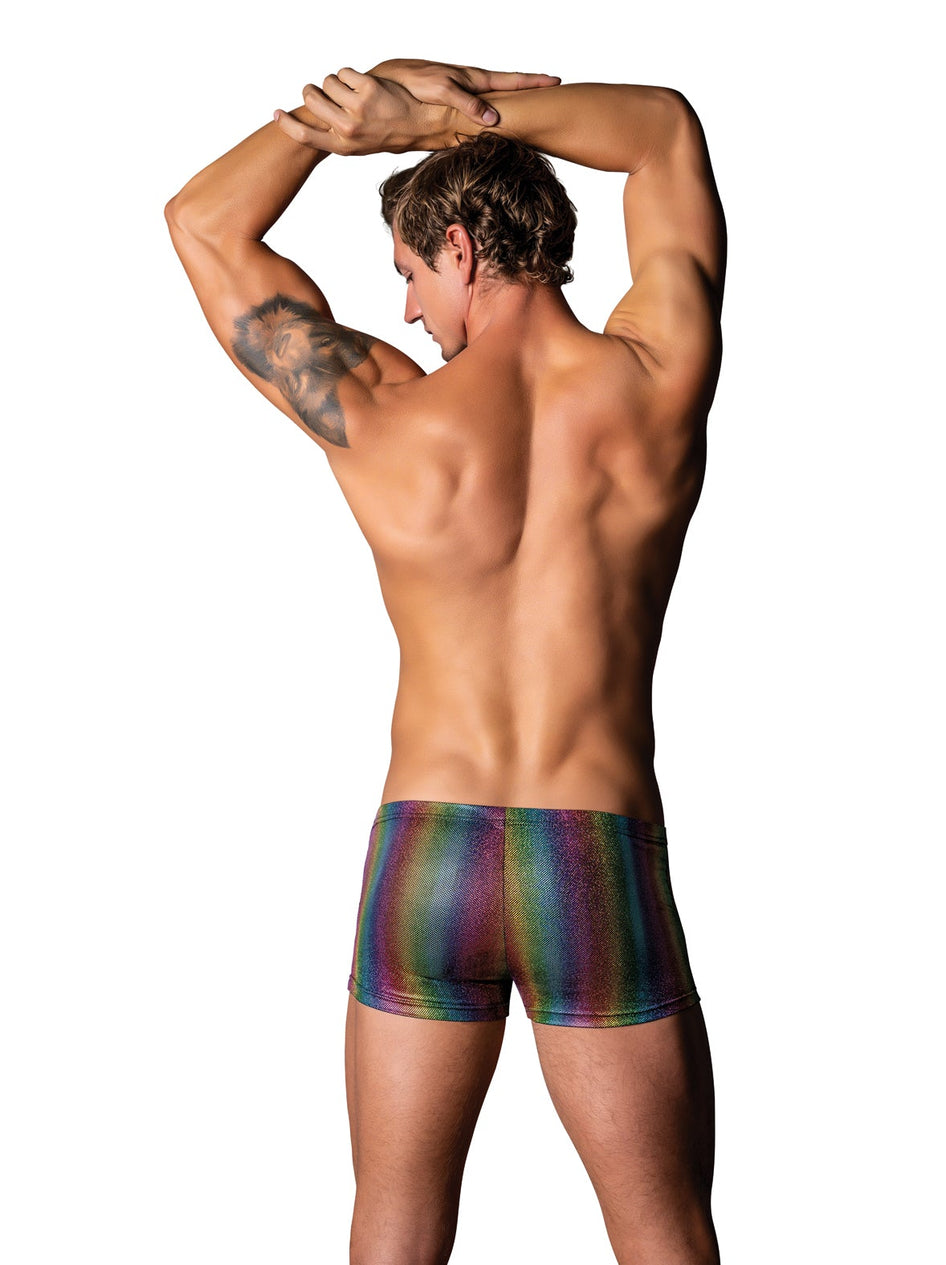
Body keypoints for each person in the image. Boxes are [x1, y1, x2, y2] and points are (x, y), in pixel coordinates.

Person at [166, 57, 726, 1265]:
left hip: (433, 856)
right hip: (591, 852)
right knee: (665, 1232)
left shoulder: (384, 414)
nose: (412, 312)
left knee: (396, 1226)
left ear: (461, 248)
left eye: (411, 275)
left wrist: (347, 123)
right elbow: (663, 134)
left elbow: (201, 223)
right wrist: (442, 117)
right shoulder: (658, 380)